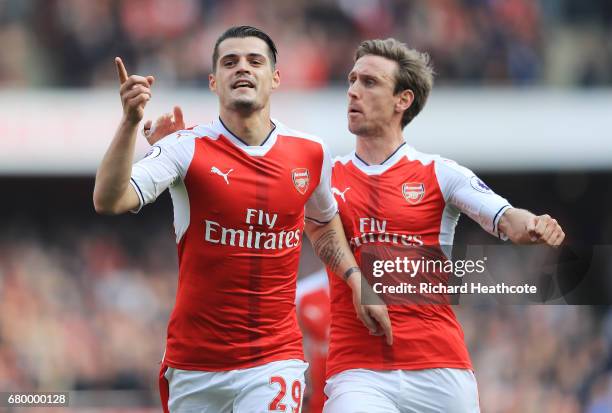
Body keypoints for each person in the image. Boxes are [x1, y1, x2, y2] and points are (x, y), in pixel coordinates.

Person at [92, 26, 391, 413]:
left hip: (273, 361)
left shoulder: (310, 153)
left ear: (276, 77)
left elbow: (323, 222)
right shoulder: (185, 148)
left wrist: (355, 279)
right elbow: (109, 199)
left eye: (255, 60)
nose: (243, 69)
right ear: (214, 82)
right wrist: (130, 122)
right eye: (230, 62)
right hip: (194, 364)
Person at [321, 38, 565, 413]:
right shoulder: (326, 176)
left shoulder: (440, 173)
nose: (353, 91)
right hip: (358, 371)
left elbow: (505, 217)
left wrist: (534, 224)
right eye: (352, 80)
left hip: (440, 367)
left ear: (403, 100)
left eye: (369, 82)